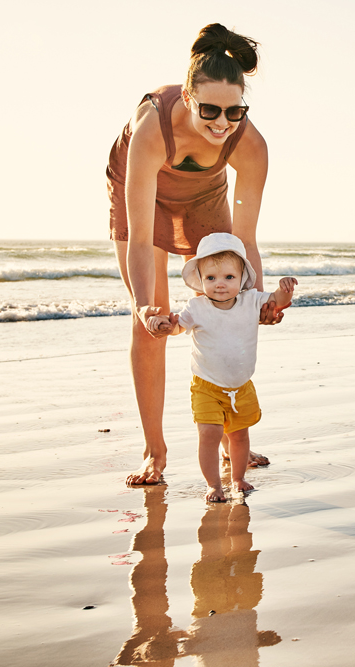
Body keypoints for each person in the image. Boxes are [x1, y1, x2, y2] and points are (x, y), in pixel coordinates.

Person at [107, 24, 277, 486]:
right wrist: (144, 305)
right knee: (153, 321)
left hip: (204, 193)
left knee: (227, 306)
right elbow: (142, 239)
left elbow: (243, 243)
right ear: (187, 95)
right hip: (141, 191)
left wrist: (258, 301)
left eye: (234, 111)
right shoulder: (153, 128)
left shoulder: (250, 145)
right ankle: (154, 452)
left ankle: (229, 436)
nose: (222, 123)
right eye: (210, 110)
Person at [149, 233, 297, 502]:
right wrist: (162, 325)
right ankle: (213, 485)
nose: (220, 284)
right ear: (201, 279)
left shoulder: (252, 301)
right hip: (206, 386)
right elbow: (177, 326)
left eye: (229, 277)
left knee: (239, 437)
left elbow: (278, 300)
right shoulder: (197, 307)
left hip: (241, 386)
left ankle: (238, 478)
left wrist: (285, 289)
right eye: (211, 278)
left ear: (242, 278)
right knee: (210, 433)